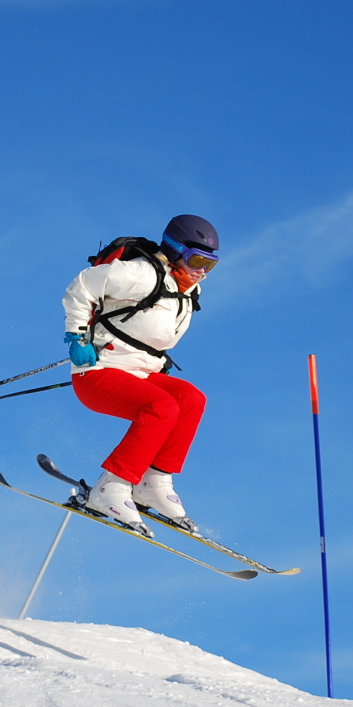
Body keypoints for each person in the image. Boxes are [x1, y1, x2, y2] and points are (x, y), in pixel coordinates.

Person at [62, 214, 219, 537]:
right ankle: (112, 487)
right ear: (176, 250)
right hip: (99, 372)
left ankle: (153, 482)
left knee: (191, 399)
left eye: (210, 265)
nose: (202, 271)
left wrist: (154, 358)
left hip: (139, 373)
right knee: (163, 408)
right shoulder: (142, 275)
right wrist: (77, 336)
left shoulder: (189, 292)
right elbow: (83, 285)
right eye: (198, 260)